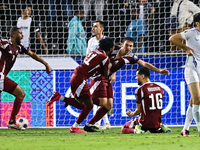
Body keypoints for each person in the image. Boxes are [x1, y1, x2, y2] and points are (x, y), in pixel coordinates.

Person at [83, 37, 169, 132]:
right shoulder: (113, 49)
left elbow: (144, 64)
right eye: (126, 45)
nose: (128, 48)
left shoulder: (131, 56)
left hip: (107, 79)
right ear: (122, 44)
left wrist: (159, 71)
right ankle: (77, 97)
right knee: (97, 101)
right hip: (97, 77)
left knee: (108, 106)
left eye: (131, 46)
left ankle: (89, 124)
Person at [47, 37, 114, 133]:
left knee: (84, 105)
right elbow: (105, 74)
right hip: (80, 79)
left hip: (77, 75)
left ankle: (60, 97)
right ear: (110, 48)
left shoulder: (95, 51)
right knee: (89, 105)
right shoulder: (105, 58)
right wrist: (110, 67)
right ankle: (74, 127)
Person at [0, 27, 52, 130]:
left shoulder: (19, 47)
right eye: (20, 33)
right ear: (14, 35)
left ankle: (11, 122)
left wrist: (45, 64)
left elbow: (32, 54)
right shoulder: (6, 43)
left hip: (2, 77)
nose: (22, 35)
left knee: (20, 94)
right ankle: (11, 122)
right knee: (21, 94)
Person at [169, 12, 200, 137]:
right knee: (197, 98)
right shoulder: (191, 32)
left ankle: (185, 129)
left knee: (194, 100)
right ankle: (199, 128)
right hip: (191, 67)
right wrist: (186, 48)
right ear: (197, 23)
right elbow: (172, 38)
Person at [121, 67, 171, 134]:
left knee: (124, 128)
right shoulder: (160, 88)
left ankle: (136, 131)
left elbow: (138, 111)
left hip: (144, 122)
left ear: (142, 76)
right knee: (154, 121)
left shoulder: (140, 90)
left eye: (136, 76)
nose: (136, 78)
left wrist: (132, 114)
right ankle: (161, 126)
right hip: (156, 123)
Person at [85, 20, 113, 130]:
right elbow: (87, 56)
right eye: (93, 26)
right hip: (94, 75)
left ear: (102, 29)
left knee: (102, 100)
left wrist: (113, 73)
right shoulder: (90, 41)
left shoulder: (107, 42)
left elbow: (112, 58)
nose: (93, 28)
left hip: (104, 74)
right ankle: (102, 122)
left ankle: (100, 121)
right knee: (100, 99)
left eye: (95, 26)